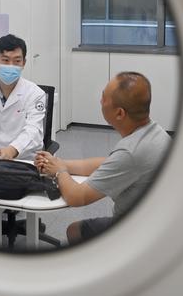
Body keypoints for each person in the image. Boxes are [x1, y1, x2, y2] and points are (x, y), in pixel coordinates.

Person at [34, 71, 171, 245]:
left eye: (104, 98)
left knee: (73, 231)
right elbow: (108, 164)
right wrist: (62, 163)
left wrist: (60, 172)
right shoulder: (154, 132)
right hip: (157, 222)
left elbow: (77, 197)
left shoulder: (131, 152)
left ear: (120, 113)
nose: (100, 101)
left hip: (137, 231)